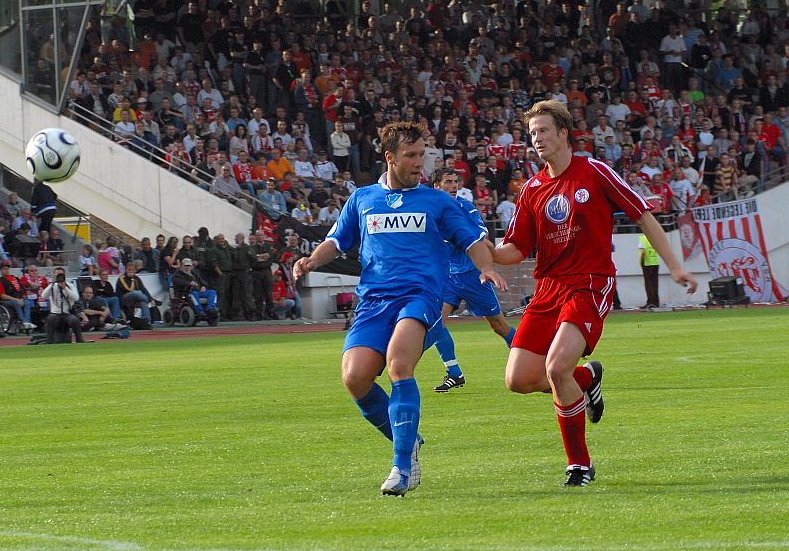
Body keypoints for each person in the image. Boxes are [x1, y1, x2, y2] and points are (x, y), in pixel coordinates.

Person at [294, 122, 505, 496]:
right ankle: (408, 440)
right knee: (355, 378)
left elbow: (472, 240)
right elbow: (337, 241)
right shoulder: (363, 199)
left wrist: (486, 267)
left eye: (422, 155)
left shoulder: (437, 201)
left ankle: (402, 466)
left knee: (398, 365)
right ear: (389, 157)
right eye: (411, 156)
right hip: (374, 301)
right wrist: (312, 260)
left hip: (420, 297)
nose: (420, 163)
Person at [493, 101, 697, 487]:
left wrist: (675, 266)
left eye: (543, 131)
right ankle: (586, 379)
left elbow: (643, 215)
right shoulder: (532, 189)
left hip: (588, 283)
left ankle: (579, 465)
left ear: (563, 133)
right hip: (548, 289)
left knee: (556, 368)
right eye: (532, 133)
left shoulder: (594, 171)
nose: (537, 139)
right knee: (518, 379)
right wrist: (482, 249)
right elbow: (514, 250)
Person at [429, 168, 517, 392]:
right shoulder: (428, 210)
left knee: (498, 326)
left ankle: (532, 356)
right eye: (448, 182)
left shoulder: (465, 207)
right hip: (447, 276)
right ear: (436, 186)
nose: (454, 186)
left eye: (455, 182)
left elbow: (481, 236)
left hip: (472, 274)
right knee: (436, 323)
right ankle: (454, 372)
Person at [41, 267, 85, 343]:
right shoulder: (52, 287)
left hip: (67, 314)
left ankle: (79, 339)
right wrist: (52, 284)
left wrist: (65, 288)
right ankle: (49, 340)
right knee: (50, 318)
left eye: (60, 275)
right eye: (56, 275)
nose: (59, 277)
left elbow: (76, 298)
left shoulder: (70, 286)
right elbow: (44, 296)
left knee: (74, 320)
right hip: (55, 314)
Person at [0, 262, 36, 329]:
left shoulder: (15, 278)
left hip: (17, 298)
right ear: (1, 270)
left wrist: (21, 298)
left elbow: (21, 290)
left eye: (7, 269)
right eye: (4, 269)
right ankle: (24, 321)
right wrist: (17, 300)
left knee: (27, 302)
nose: (6, 270)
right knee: (16, 303)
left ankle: (27, 322)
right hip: (4, 301)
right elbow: (2, 296)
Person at [115, 262, 155, 329]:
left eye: (132, 270)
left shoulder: (136, 278)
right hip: (124, 299)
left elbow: (143, 289)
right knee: (134, 293)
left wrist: (151, 298)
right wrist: (149, 299)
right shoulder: (122, 278)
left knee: (143, 304)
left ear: (135, 270)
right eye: (129, 270)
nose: (131, 271)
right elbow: (128, 289)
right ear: (126, 270)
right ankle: (148, 299)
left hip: (134, 300)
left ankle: (146, 322)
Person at [638, 234, 660, 308]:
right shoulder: (654, 237)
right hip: (655, 262)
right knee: (655, 284)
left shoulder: (643, 238)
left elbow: (643, 252)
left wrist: (641, 261)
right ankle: (656, 302)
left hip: (647, 263)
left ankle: (650, 302)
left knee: (648, 284)